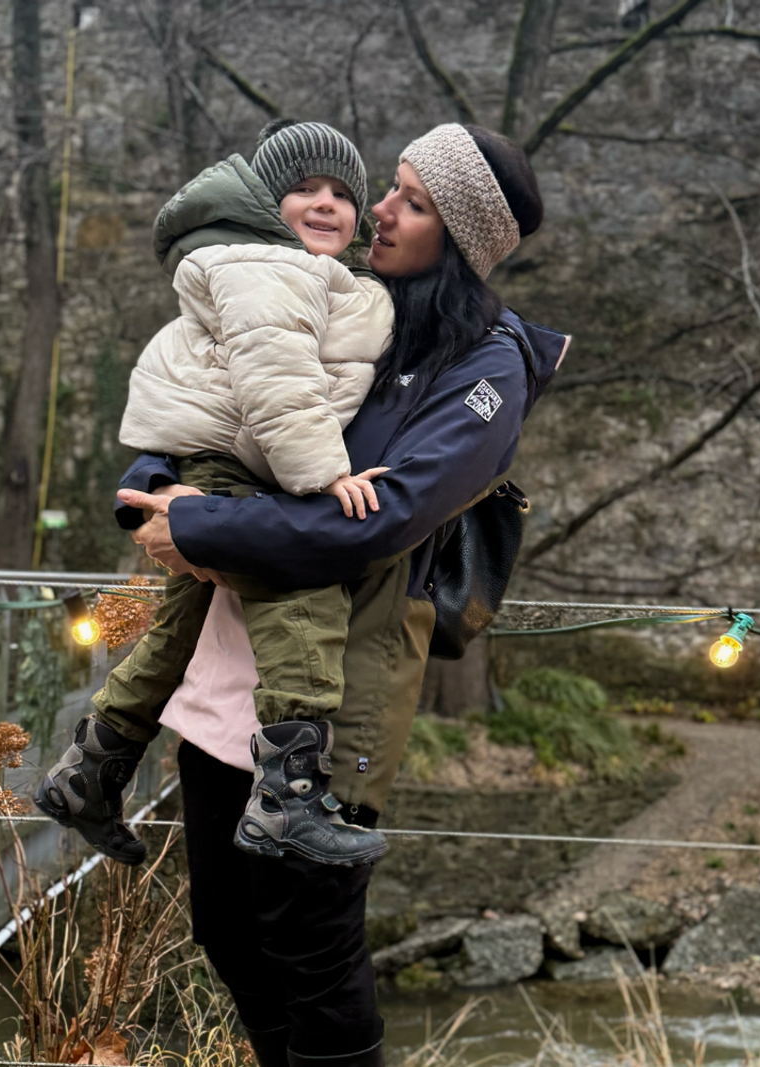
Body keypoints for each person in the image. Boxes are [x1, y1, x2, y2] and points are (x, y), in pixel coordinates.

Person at [119, 124, 569, 1067]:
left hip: (333, 700)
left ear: (461, 234)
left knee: (312, 956)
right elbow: (220, 391)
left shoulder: (486, 369)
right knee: (227, 934)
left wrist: (197, 527)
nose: (378, 210)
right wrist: (154, 482)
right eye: (390, 189)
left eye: (409, 200)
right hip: (226, 681)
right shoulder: (343, 300)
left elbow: (378, 521)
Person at [33, 119, 396, 868]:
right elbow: (277, 379)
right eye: (305, 190)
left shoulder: (291, 271)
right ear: (268, 203)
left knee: (177, 628)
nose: (326, 204)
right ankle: (287, 798)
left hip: (220, 455)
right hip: (237, 457)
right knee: (302, 591)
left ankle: (87, 773)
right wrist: (323, 473)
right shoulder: (271, 268)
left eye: (342, 193)